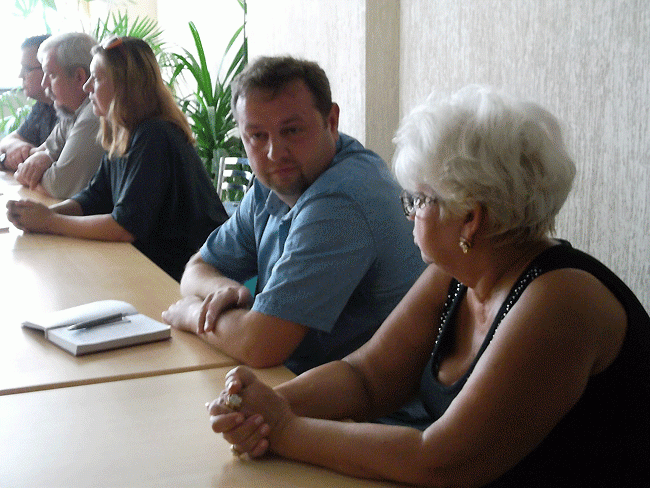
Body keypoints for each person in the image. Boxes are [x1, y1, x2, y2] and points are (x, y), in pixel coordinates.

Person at [207, 85, 650, 487]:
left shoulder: (561, 301)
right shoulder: (459, 272)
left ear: (470, 218)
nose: (410, 213)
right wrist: (262, 406)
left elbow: (440, 460)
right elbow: (368, 378)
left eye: (418, 199)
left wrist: (284, 428)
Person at [162, 56, 425, 375]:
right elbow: (198, 268)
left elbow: (261, 344)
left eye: (292, 131)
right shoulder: (273, 183)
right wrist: (223, 290)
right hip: (301, 382)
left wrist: (193, 314)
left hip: (366, 400)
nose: (275, 152)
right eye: (257, 136)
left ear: (331, 121)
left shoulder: (342, 198)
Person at [6, 37, 228, 282]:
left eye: (97, 78)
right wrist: (40, 215)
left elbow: (124, 227)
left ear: (125, 85)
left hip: (191, 274)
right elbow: (94, 198)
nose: (87, 87)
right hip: (157, 264)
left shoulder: (153, 134)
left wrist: (50, 222)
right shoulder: (124, 131)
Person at [13, 32, 104, 199]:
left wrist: (35, 173)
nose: (44, 84)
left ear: (79, 78)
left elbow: (59, 186)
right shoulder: (71, 112)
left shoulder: (94, 113)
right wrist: (45, 156)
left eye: (51, 75)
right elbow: (40, 154)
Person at [0, 35, 57, 171]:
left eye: (27, 69)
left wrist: (23, 155)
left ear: (48, 69)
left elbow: (48, 159)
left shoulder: (71, 109)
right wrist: (17, 147)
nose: (20, 75)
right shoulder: (43, 105)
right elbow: (9, 140)